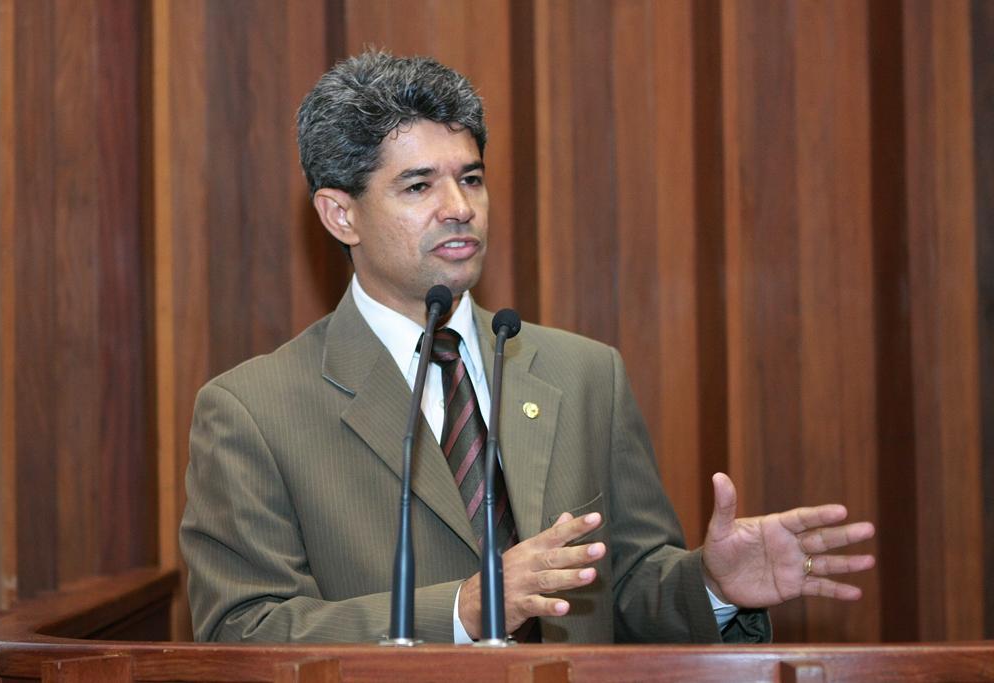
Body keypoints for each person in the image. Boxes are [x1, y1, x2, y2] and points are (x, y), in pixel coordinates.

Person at [179, 51, 875, 644]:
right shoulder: (251, 411)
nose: (460, 205)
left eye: (471, 177)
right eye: (419, 185)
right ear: (341, 214)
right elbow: (245, 631)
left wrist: (713, 584)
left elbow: (628, 592)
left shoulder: (585, 373)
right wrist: (463, 610)